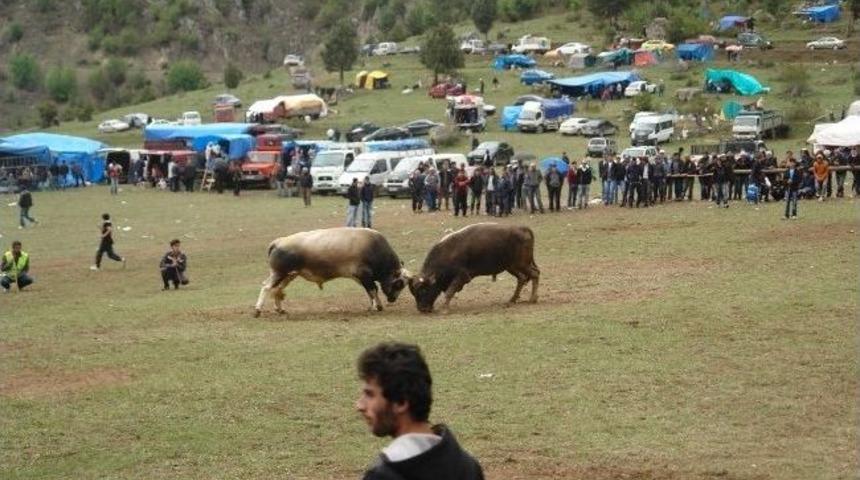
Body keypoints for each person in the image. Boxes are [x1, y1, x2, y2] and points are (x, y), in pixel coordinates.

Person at [356, 342, 485, 480]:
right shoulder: (469, 466)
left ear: (400, 403)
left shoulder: (384, 475)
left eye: (370, 395)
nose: (359, 405)